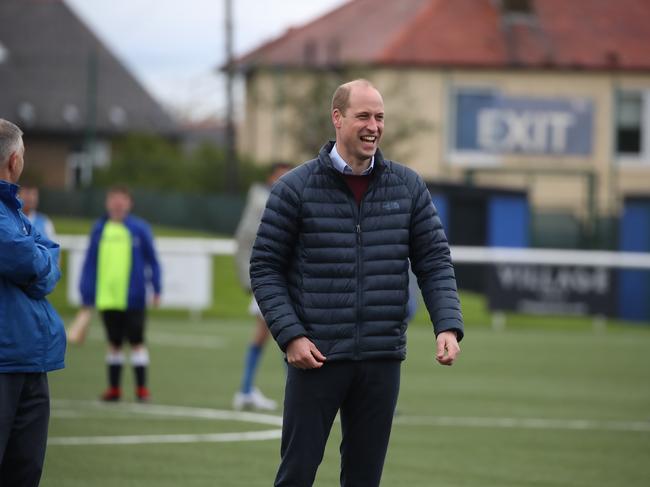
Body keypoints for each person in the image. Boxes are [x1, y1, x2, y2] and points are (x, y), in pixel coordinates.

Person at [250, 79, 464, 487]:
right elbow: (264, 267)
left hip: (381, 358)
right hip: (316, 356)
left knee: (364, 480)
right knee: (296, 474)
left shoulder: (408, 186)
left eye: (380, 117)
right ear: (337, 118)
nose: (374, 126)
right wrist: (291, 336)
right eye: (363, 116)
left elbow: (434, 261)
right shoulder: (294, 188)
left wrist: (448, 325)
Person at [0, 119, 66, 487]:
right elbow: (24, 258)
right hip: (5, 359)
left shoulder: (13, 212)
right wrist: (38, 263)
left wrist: (38, 263)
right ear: (14, 160)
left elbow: (48, 256)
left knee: (24, 472)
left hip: (28, 358)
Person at [79, 185, 161, 402]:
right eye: (113, 198)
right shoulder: (99, 229)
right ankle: (114, 389)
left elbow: (153, 260)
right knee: (114, 343)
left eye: (121, 199)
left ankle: (142, 389)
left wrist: (157, 287)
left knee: (136, 341)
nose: (117, 203)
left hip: (133, 298)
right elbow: (90, 263)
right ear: (107, 203)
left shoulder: (139, 229)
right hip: (107, 298)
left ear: (129, 203)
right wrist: (87, 293)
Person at [233, 162, 292, 411]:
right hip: (270, 277)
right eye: (280, 176)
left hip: (286, 276)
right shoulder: (262, 202)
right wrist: (250, 277)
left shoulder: (291, 199)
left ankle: (247, 389)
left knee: (276, 332)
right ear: (270, 178)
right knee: (284, 332)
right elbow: (245, 238)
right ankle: (247, 390)